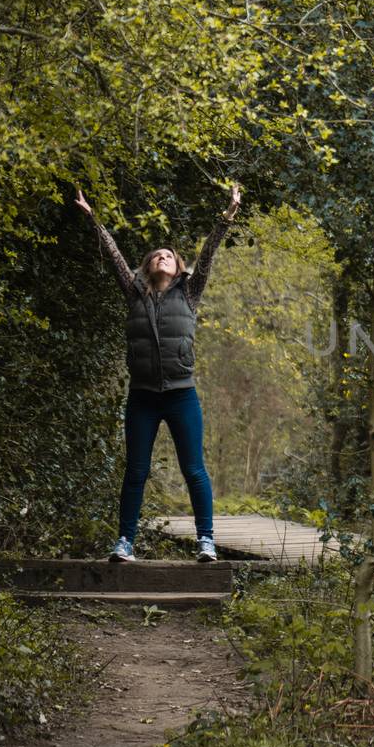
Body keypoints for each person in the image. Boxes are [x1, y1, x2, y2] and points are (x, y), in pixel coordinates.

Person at [73, 183, 242, 563]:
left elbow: (209, 251)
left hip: (182, 395)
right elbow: (115, 256)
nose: (163, 257)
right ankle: (124, 543)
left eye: (170, 255)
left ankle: (206, 542)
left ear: (178, 267)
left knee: (194, 469)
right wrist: (93, 219)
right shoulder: (135, 294)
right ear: (148, 266)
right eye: (157, 256)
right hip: (143, 396)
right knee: (136, 471)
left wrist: (228, 215)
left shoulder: (190, 292)